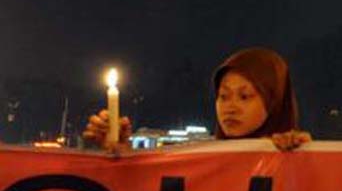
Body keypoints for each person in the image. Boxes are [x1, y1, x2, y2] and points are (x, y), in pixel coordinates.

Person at [83, 47, 311, 151]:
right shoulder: (199, 168)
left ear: (275, 101)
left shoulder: (298, 156)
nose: (230, 107)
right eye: (223, 96)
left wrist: (304, 158)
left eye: (244, 96)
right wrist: (119, 153)